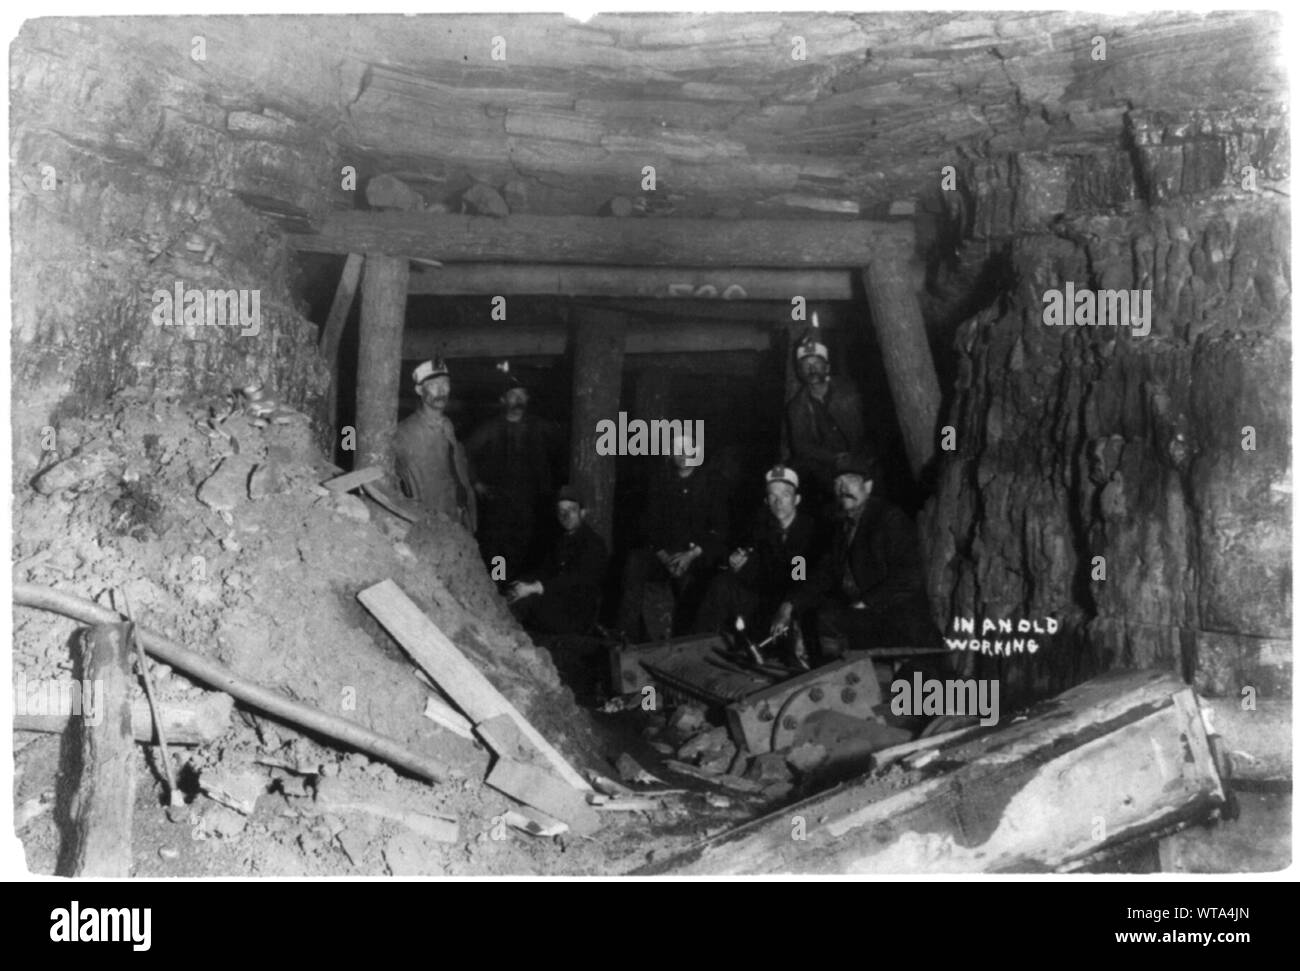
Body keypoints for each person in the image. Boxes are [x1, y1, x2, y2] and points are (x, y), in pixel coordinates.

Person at [771, 452, 939, 661]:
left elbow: (909, 577)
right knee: (816, 612)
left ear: (867, 486)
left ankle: (834, 678)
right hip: (867, 616)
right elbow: (824, 575)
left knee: (829, 619)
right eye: (838, 482)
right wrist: (789, 605)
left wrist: (865, 603)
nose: (843, 489)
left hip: (898, 619)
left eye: (850, 481)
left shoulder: (888, 519)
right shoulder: (844, 526)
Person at [616, 435, 728, 639]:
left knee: (694, 586)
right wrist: (663, 556)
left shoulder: (711, 483)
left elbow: (720, 529)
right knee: (635, 561)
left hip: (695, 556)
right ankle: (625, 635)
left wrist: (691, 555)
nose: (683, 455)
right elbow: (649, 525)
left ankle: (687, 640)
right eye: (678, 450)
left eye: (688, 449)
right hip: (665, 556)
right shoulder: (660, 482)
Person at [693, 465, 822, 640]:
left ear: (797, 499)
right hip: (767, 600)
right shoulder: (762, 528)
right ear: (766, 501)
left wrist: (788, 605)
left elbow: (804, 580)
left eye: (785, 495)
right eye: (772, 496)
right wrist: (739, 565)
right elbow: (756, 576)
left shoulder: (810, 531)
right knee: (721, 585)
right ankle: (701, 644)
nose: (779, 502)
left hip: (798, 603)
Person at [465, 366, 561, 580]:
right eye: (512, 395)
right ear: (503, 400)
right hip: (498, 504)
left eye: (522, 395)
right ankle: (499, 586)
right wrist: (476, 482)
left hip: (532, 504)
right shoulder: (490, 429)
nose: (518, 399)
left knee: (529, 551)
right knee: (498, 551)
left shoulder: (540, 427)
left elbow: (561, 449)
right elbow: (464, 453)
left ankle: (520, 592)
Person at [506, 485, 608, 636]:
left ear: (583, 513)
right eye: (561, 511)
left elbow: (575, 579)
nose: (565, 515)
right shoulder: (561, 540)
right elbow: (545, 570)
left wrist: (534, 587)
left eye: (571, 510)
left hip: (576, 615)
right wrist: (524, 583)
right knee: (517, 591)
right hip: (556, 602)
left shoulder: (593, 544)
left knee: (524, 603)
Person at [784, 327, 868, 510]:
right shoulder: (796, 407)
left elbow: (867, 429)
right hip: (824, 465)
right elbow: (801, 446)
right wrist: (834, 458)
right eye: (806, 365)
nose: (812, 369)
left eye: (817, 364)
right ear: (799, 372)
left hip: (860, 458)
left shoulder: (850, 393)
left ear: (827, 367)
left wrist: (856, 457)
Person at [393, 358, 477, 531]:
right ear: (419, 390)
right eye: (433, 385)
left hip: (459, 519)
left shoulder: (447, 425)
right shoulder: (404, 433)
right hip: (431, 526)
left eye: (445, 384)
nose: (441, 391)